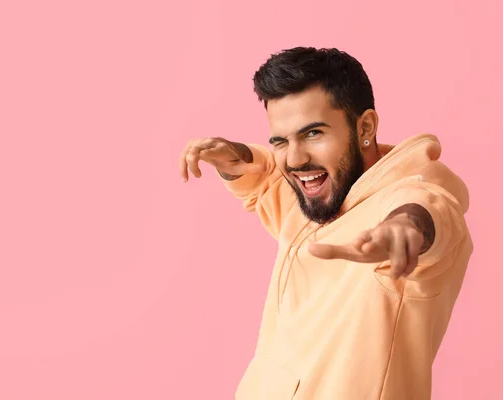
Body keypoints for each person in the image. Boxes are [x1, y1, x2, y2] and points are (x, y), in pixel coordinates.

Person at [178, 47, 472, 400]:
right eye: (281, 141)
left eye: (313, 134)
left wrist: (405, 230)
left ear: (365, 126)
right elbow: (266, 182)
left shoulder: (407, 197)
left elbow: (430, 208)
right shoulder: (320, 198)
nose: (296, 158)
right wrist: (235, 157)